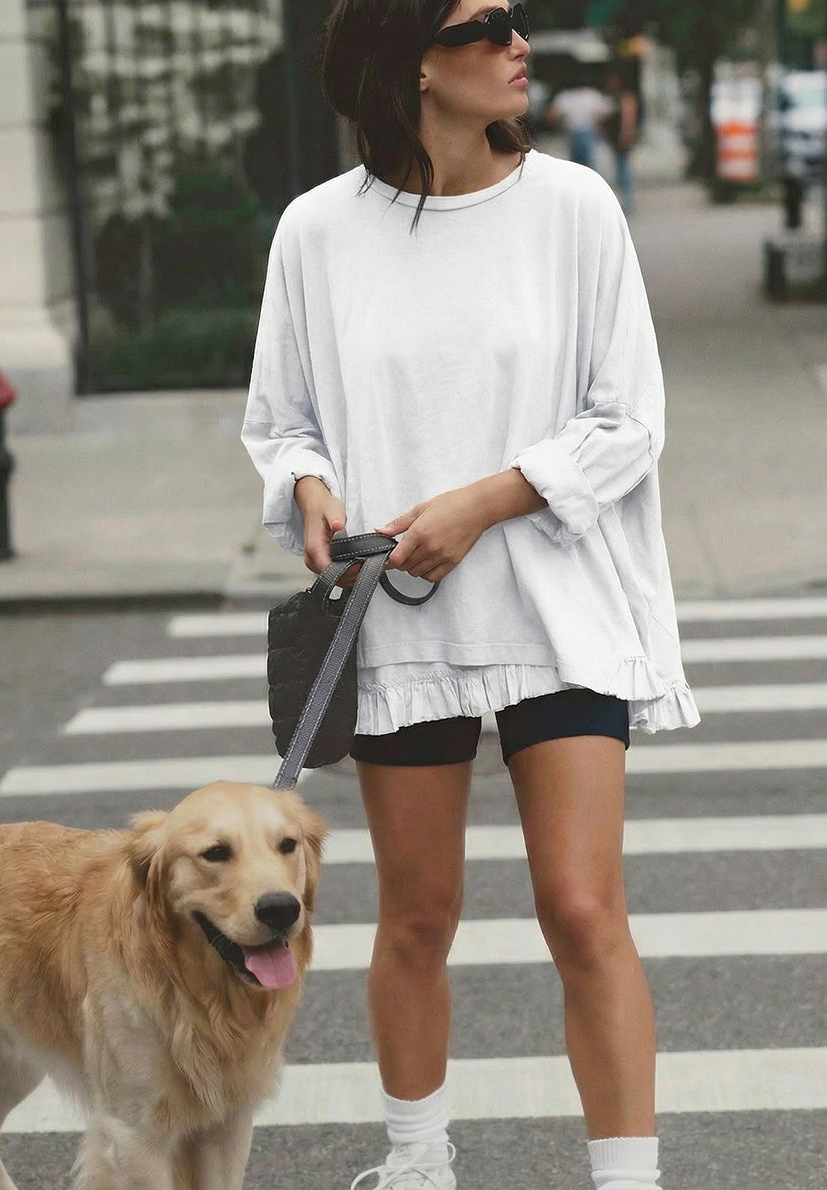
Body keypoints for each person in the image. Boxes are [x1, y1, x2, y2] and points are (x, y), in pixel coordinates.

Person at [241, 3, 700, 1188]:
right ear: (411, 64)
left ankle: (627, 1178)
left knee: (583, 908)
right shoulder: (317, 231)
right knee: (418, 913)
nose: (518, 42)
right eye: (487, 23)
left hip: (557, 601)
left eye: (514, 19)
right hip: (397, 609)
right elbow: (283, 418)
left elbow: (629, 418)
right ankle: (417, 1160)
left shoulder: (573, 210)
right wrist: (308, 490)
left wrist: (488, 499)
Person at [547, 70, 612, 170]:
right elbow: (601, 114)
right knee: (589, 163)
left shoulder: (566, 96)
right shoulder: (592, 95)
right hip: (588, 130)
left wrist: (557, 127)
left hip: (573, 131)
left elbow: (553, 115)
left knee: (575, 165)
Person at [602, 66, 639, 217]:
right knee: (620, 169)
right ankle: (626, 200)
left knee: (624, 170)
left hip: (622, 140)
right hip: (615, 140)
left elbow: (628, 119)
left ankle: (628, 202)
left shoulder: (625, 98)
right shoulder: (613, 99)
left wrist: (625, 136)